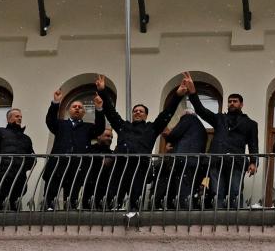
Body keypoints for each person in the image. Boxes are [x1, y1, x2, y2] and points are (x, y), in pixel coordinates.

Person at [96, 73, 186, 209]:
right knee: (113, 195)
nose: (137, 112)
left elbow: (166, 114)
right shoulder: (123, 126)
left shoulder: (152, 128)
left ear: (146, 115)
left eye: (141, 111)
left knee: (135, 196)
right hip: (120, 164)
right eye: (135, 111)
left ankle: (133, 216)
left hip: (140, 165)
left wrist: (178, 96)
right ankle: (111, 216)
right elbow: (111, 112)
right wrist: (102, 91)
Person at [182, 73, 259, 209]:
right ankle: (218, 217)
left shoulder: (250, 123)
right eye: (229, 101)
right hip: (216, 160)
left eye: (235, 101)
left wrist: (253, 162)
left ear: (241, 104)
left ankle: (235, 217)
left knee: (235, 190)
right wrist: (193, 92)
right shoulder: (219, 119)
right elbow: (201, 110)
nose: (231, 103)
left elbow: (253, 143)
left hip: (237, 161)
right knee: (217, 191)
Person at [43, 89, 105, 210]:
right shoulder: (60, 124)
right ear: (69, 110)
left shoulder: (88, 127)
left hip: (77, 166)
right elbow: (50, 120)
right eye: (74, 106)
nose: (77, 108)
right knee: (51, 192)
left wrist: (98, 108)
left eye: (80, 107)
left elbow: (100, 128)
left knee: (72, 197)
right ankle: (48, 211)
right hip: (58, 164)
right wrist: (55, 103)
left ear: (84, 112)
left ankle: (69, 212)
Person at [0, 107, 35, 211]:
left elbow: (31, 156)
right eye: (17, 116)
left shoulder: (26, 138)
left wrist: (26, 164)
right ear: (9, 119)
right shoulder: (0, 132)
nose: (20, 119)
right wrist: (0, 158)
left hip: (18, 178)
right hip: (0, 175)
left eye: (21, 117)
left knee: (13, 208)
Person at [158, 109, 206, 209]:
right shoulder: (201, 128)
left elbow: (174, 134)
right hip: (195, 161)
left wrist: (168, 135)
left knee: (182, 187)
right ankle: (187, 208)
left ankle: (184, 211)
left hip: (183, 159)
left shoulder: (188, 118)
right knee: (188, 186)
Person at [81, 128, 116, 209]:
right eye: (107, 136)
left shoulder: (112, 153)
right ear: (99, 136)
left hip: (105, 189)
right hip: (90, 187)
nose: (110, 139)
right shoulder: (90, 149)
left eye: (111, 137)